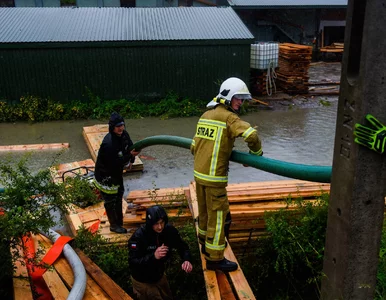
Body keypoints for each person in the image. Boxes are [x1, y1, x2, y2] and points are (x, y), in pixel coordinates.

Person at [190, 77, 263, 272]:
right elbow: (251, 135)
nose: (241, 102)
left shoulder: (205, 115)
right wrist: (256, 154)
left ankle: (204, 242)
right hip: (215, 180)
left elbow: (193, 146)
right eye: (238, 98)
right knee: (218, 216)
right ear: (228, 97)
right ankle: (214, 258)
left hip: (199, 176)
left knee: (204, 213)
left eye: (242, 99)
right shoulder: (229, 118)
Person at [128, 205, 193, 300]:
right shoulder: (138, 237)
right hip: (143, 280)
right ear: (150, 223)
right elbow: (133, 262)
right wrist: (153, 256)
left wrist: (186, 259)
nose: (160, 227)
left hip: (159, 275)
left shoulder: (169, 231)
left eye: (162, 223)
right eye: (156, 224)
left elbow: (182, 246)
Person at [93, 112, 140, 234]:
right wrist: (129, 156)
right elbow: (114, 163)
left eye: (122, 125)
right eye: (117, 126)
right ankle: (114, 225)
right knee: (110, 200)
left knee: (119, 195)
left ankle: (119, 222)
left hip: (116, 173)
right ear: (112, 127)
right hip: (106, 175)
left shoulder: (124, 135)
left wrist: (131, 160)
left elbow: (131, 147)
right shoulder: (109, 143)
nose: (120, 128)